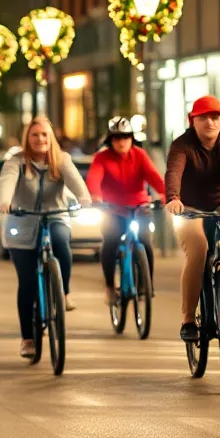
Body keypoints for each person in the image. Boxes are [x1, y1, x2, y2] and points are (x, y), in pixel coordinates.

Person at [0, 116, 91, 359]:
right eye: (35, 135)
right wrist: (5, 201)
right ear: (28, 138)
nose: (40, 139)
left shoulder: (62, 160)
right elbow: (6, 182)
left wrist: (84, 197)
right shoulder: (16, 161)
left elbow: (76, 181)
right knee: (27, 283)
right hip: (22, 222)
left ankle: (64, 292)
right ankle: (28, 338)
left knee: (61, 242)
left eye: (45, 135)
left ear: (52, 139)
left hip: (55, 216)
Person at [163, 95, 220, 343]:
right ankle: (187, 318)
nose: (210, 122)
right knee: (198, 247)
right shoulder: (182, 145)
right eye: (204, 117)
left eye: (216, 117)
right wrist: (173, 197)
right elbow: (173, 171)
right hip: (189, 205)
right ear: (192, 120)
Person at [86, 116, 165, 305]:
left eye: (126, 137)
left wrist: (165, 194)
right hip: (113, 209)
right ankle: (109, 287)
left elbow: (154, 177)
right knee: (111, 241)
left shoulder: (139, 155)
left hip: (139, 206)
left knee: (145, 240)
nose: (122, 142)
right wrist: (95, 197)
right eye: (117, 138)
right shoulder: (101, 158)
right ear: (110, 140)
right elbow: (94, 179)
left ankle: (147, 283)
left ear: (132, 138)